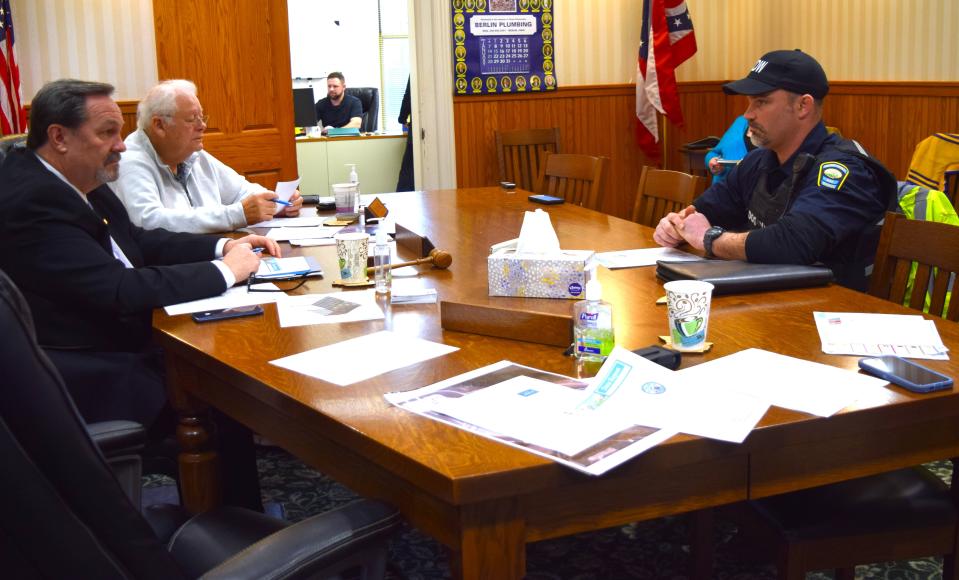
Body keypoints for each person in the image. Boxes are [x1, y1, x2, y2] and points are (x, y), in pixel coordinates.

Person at [654, 49, 896, 292]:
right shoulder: (758, 161)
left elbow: (794, 242)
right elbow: (703, 213)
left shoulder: (844, 169)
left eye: (761, 101)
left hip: (836, 316)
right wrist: (677, 227)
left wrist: (710, 239)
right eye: (749, 102)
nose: (748, 114)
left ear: (803, 106)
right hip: (771, 303)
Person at [112, 79, 303, 234]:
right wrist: (235, 215)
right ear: (159, 125)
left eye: (202, 117)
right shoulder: (130, 160)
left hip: (212, 255)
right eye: (191, 119)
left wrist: (275, 204)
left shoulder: (192, 154)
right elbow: (149, 222)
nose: (202, 126)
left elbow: (240, 190)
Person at [704, 115, 755, 184]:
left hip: (748, 189)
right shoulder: (741, 121)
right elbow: (713, 153)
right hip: (720, 188)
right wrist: (711, 161)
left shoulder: (771, 131)